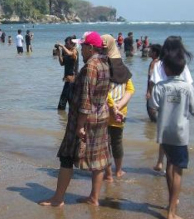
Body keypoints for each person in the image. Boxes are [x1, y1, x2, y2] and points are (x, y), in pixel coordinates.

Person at [39, 31, 111, 207]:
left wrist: (79, 125)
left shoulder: (91, 67)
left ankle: (58, 198)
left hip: (83, 119)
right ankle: (94, 197)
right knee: (98, 159)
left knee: (66, 157)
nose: (81, 49)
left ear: (91, 47)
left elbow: (86, 98)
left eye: (83, 46)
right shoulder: (105, 63)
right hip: (101, 115)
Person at [149, 44, 194, 219]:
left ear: (166, 68)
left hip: (164, 134)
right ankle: (171, 211)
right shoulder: (188, 87)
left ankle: (171, 202)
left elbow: (153, 106)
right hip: (180, 135)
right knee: (177, 171)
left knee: (170, 166)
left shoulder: (160, 86)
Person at [101, 34, 135, 181]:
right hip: (121, 111)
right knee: (117, 141)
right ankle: (119, 171)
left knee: (105, 143)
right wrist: (119, 106)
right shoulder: (123, 68)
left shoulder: (103, 67)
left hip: (105, 110)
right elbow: (130, 89)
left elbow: (104, 90)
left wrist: (112, 106)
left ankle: (108, 174)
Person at [56, 36, 79, 110]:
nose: (65, 44)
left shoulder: (75, 51)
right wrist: (59, 53)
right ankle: (64, 116)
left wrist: (62, 46)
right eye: (65, 43)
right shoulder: (66, 52)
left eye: (67, 43)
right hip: (67, 79)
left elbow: (71, 54)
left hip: (72, 78)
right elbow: (62, 63)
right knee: (67, 98)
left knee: (65, 98)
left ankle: (64, 114)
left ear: (72, 44)